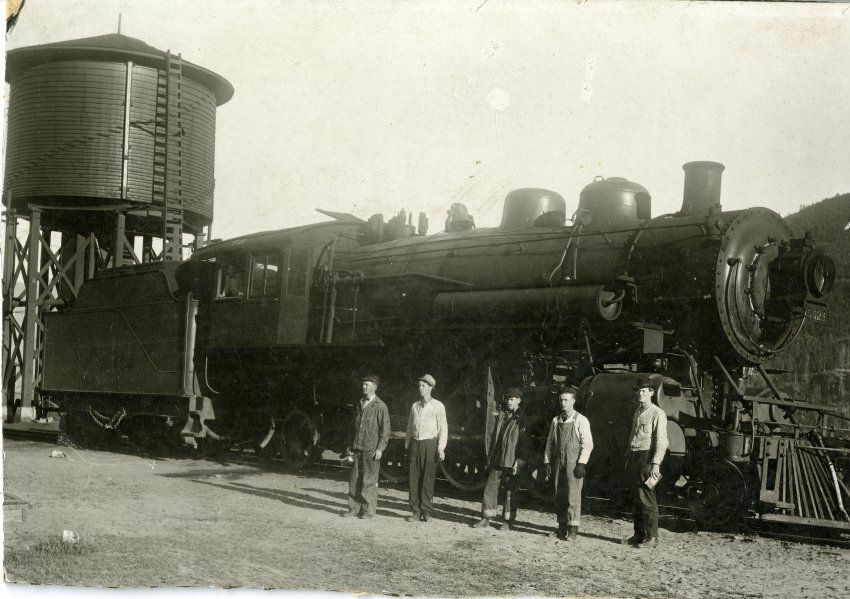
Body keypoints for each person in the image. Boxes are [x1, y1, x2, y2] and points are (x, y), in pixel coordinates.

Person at [473, 387, 530, 530]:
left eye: (511, 399)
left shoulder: (523, 419)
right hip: (498, 457)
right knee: (490, 487)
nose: (508, 402)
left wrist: (520, 461)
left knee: (510, 491)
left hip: (512, 459)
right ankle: (486, 518)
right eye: (507, 399)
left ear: (518, 400)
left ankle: (508, 521)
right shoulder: (502, 415)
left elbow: (524, 442)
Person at [543, 385, 593, 541]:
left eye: (566, 400)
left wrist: (581, 463)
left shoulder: (581, 420)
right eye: (561, 400)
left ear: (573, 401)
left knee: (573, 495)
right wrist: (547, 461)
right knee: (559, 494)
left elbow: (587, 444)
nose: (563, 403)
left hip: (573, 463)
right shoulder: (555, 420)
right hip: (558, 462)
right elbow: (549, 443)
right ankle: (561, 528)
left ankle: (573, 530)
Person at [624, 377, 668, 548]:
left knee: (646, 497)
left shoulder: (657, 413)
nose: (640, 394)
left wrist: (655, 464)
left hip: (646, 457)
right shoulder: (638, 411)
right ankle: (639, 534)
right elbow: (633, 436)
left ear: (651, 393)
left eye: (643, 391)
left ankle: (652, 537)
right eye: (638, 391)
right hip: (634, 456)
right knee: (636, 497)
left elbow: (661, 441)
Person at [341, 374, 390, 519]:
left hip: (371, 449)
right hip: (357, 447)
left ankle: (367, 511)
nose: (363, 387)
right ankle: (353, 509)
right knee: (354, 480)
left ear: (374, 387)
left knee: (369, 480)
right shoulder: (359, 403)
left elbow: (385, 431)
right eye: (363, 384)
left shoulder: (380, 406)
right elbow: (353, 427)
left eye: (366, 385)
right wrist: (349, 445)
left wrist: (380, 449)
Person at [405, 374, 448, 523]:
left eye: (423, 386)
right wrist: (407, 442)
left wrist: (441, 448)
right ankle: (415, 511)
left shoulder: (438, 406)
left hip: (430, 444)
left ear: (430, 388)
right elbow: (410, 426)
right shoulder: (415, 406)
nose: (420, 388)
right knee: (414, 478)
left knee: (428, 478)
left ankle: (426, 511)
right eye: (419, 385)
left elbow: (443, 428)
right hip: (415, 443)